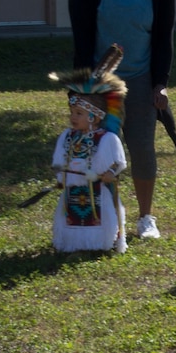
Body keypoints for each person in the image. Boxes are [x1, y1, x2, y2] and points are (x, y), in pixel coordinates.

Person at [67, 0, 174, 240]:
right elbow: (82, 39)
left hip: (140, 78)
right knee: (100, 152)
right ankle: (108, 218)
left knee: (142, 148)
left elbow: (163, 38)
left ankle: (146, 218)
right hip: (101, 83)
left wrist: (161, 83)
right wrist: (85, 89)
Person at [49, 46, 130, 254]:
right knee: (71, 213)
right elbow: (59, 161)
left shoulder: (106, 138)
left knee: (100, 213)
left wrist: (110, 173)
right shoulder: (68, 137)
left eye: (79, 113)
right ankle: (73, 243)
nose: (73, 117)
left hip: (98, 190)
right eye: (72, 112)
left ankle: (101, 242)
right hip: (73, 188)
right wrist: (61, 176)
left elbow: (119, 162)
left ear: (93, 117)